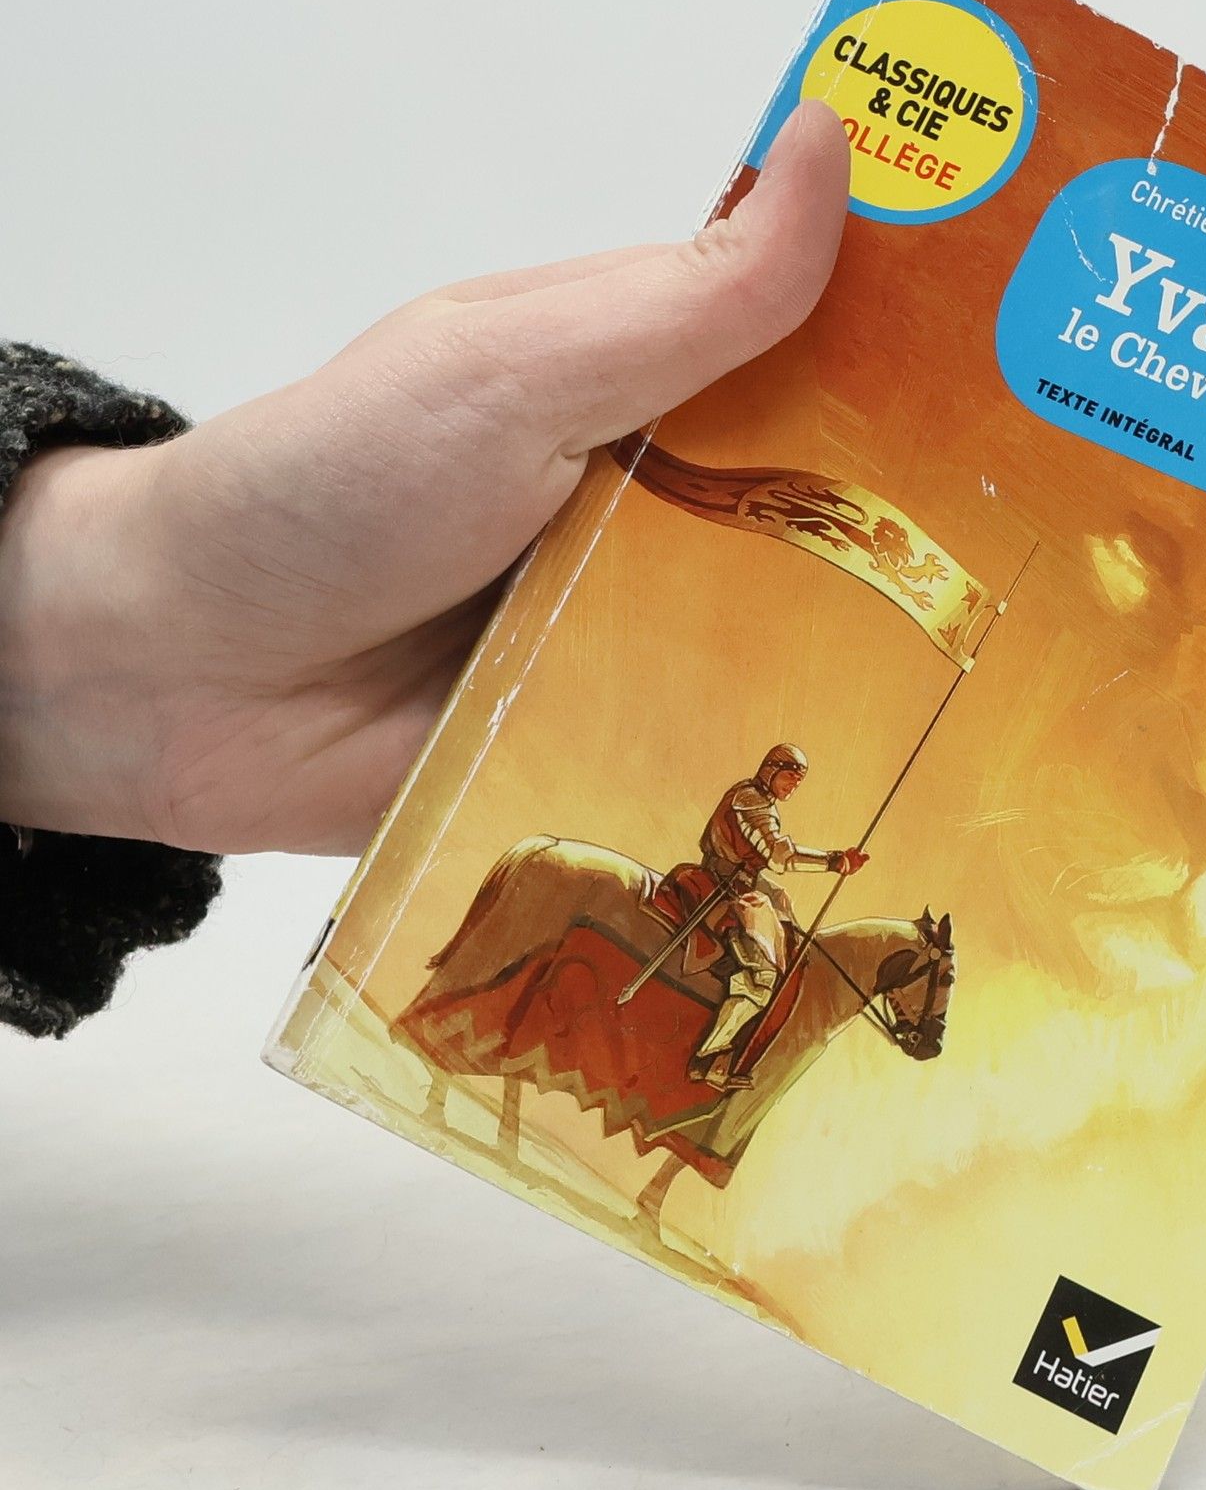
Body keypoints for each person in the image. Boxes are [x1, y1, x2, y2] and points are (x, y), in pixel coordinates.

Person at [0, 102, 853, 1040]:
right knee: (759, 970)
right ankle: (721, 1055)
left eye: (790, 775)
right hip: (716, 886)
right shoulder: (746, 806)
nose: (785, 781)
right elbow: (762, 849)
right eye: (787, 770)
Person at [680, 744, 869, 1090]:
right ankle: (708, 1058)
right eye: (789, 777)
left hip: (740, 883)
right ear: (770, 770)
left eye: (798, 782)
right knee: (762, 976)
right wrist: (834, 861)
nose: (792, 786)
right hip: (723, 889)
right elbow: (780, 856)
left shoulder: (761, 801)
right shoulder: (750, 800)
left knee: (781, 904)